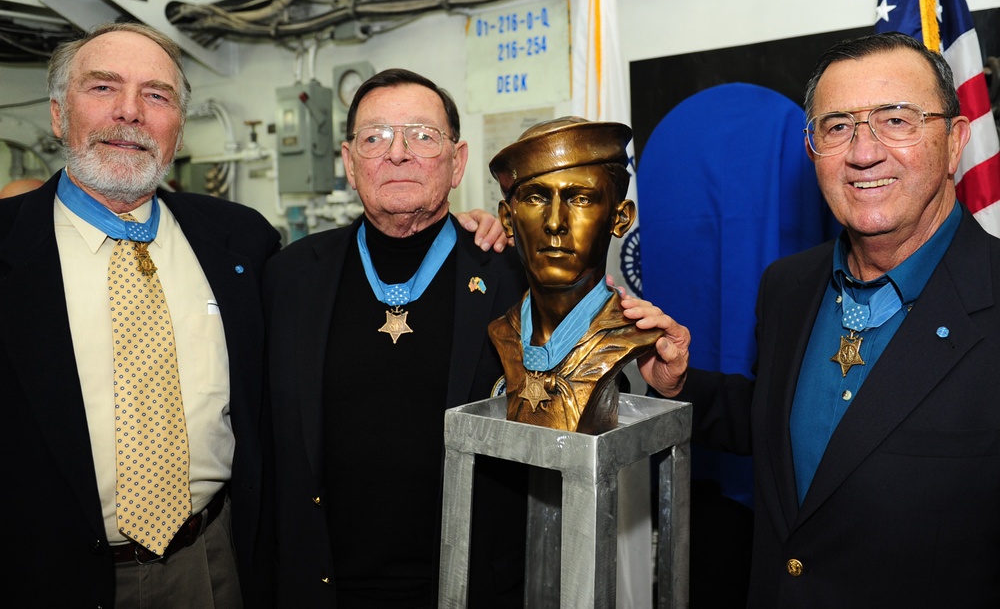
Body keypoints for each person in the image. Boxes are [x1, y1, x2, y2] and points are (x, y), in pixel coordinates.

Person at [637, 31, 1000, 607]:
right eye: (837, 127)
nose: (863, 152)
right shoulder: (788, 286)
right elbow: (791, 429)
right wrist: (681, 385)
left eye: (897, 120)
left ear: (956, 143)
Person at [0, 22, 281, 608]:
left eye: (156, 96)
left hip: (212, 562)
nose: (130, 112)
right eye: (102, 88)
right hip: (43, 574)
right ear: (58, 115)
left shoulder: (242, 240)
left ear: (178, 127)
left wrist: (459, 234)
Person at [263, 68, 529, 607]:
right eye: (375, 137)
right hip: (321, 585)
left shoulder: (513, 277)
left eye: (422, 135)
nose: (398, 152)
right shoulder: (290, 277)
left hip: (469, 585)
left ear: (457, 163)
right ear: (348, 162)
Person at [487, 116, 662, 434]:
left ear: (619, 218)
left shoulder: (630, 336)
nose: (555, 222)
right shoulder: (501, 331)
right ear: (508, 219)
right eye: (536, 198)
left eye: (580, 198)